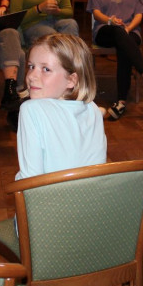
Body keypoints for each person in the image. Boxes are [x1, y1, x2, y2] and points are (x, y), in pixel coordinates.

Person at [15, 34, 106, 181]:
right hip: (90, 194)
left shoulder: (30, 110)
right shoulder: (93, 109)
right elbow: (98, 171)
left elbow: (31, 180)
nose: (31, 76)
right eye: (31, 66)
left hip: (51, 195)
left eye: (46, 69)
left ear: (71, 80)